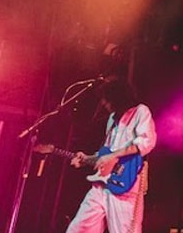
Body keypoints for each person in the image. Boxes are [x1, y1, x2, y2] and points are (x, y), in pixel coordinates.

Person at [65, 79, 157, 233]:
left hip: (125, 184)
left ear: (118, 97)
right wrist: (87, 158)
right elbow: (107, 152)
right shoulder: (112, 120)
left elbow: (146, 142)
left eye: (107, 100)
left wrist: (113, 156)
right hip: (101, 184)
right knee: (78, 229)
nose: (105, 104)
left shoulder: (140, 111)